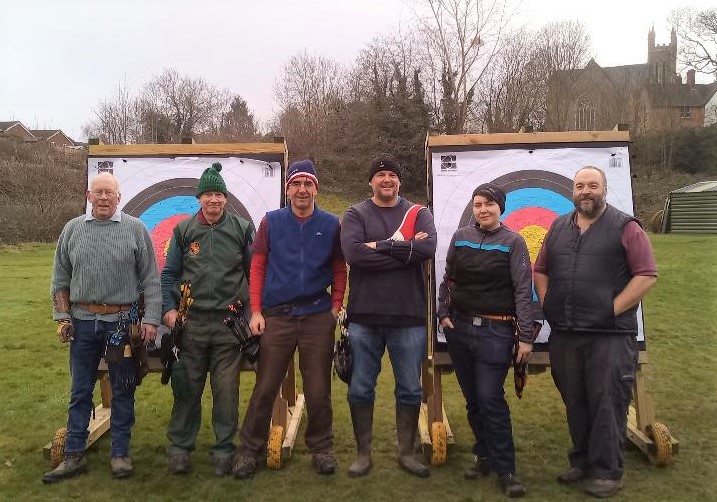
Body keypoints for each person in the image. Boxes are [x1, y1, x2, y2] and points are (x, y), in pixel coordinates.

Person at [534, 166, 657, 499]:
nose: (585, 191)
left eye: (592, 185)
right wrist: (547, 303)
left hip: (610, 336)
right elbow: (540, 269)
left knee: (607, 401)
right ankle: (582, 461)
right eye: (580, 186)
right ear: (573, 191)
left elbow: (646, 275)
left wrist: (610, 310)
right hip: (566, 334)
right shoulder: (558, 226)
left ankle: (606, 471)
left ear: (604, 189)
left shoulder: (626, 227)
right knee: (575, 400)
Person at [232, 159, 347, 478]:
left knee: (318, 388)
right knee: (266, 386)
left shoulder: (331, 224)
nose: (302, 189)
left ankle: (321, 448)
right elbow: (257, 266)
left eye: (308, 184)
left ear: (316, 189)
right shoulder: (271, 222)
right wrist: (256, 310)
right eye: (296, 184)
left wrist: (335, 306)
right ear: (288, 189)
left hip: (317, 316)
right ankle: (248, 450)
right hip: (277, 316)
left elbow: (339, 268)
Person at [45, 172, 161, 483]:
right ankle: (73, 455)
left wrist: (151, 319)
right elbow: (60, 278)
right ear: (89, 196)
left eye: (110, 192)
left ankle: (120, 454)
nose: (104, 197)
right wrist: (63, 317)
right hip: (82, 324)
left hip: (121, 325)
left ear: (118, 198)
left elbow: (151, 279)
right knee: (80, 390)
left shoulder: (135, 230)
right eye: (98, 192)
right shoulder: (72, 230)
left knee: (123, 390)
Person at [340, 153, 437, 478]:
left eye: (392, 175)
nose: (386, 180)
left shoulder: (419, 213)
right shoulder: (355, 213)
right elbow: (354, 255)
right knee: (359, 389)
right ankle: (363, 454)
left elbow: (427, 249)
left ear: (399, 181)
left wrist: (377, 246)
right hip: (363, 319)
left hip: (408, 317)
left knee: (410, 389)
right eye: (380, 175)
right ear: (371, 181)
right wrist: (405, 249)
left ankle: (406, 453)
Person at [436, 183, 535, 498]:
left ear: (500, 208)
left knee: (490, 398)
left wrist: (526, 337)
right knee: (474, 400)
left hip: (496, 331)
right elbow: (450, 278)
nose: (483, 210)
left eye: (489, 204)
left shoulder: (514, 242)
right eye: (478, 204)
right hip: (460, 329)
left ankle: (507, 469)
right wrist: (442, 311)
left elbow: (523, 290)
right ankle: (485, 455)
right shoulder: (461, 237)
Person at [161, 162, 255, 477]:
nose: (214, 200)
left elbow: (255, 274)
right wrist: (169, 310)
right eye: (208, 194)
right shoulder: (183, 231)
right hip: (192, 325)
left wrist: (252, 312)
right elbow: (169, 274)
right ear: (199, 198)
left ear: (225, 198)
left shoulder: (242, 229)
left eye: (219, 194)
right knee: (187, 388)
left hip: (230, 326)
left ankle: (224, 450)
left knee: (226, 391)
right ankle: (179, 448)